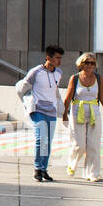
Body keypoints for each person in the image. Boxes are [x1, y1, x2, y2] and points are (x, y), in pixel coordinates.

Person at [15, 45, 65, 182]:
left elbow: (55, 91)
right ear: (48, 58)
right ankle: (37, 168)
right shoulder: (36, 72)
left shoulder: (58, 73)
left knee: (47, 141)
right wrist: (27, 103)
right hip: (37, 109)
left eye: (61, 58)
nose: (59, 61)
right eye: (57, 58)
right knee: (41, 138)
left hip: (51, 111)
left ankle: (44, 169)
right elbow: (21, 89)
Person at [62, 52, 103, 182]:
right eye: (87, 63)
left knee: (93, 145)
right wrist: (64, 114)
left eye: (92, 63)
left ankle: (92, 173)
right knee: (79, 145)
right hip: (77, 111)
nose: (90, 65)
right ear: (81, 64)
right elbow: (68, 98)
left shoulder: (98, 78)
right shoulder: (75, 78)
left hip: (94, 112)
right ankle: (72, 164)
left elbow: (102, 96)